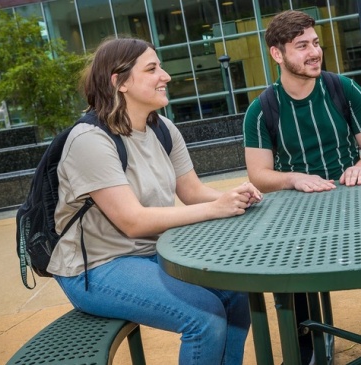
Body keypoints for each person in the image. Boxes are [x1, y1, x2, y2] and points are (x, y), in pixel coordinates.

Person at [50, 37, 263, 365]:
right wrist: (215, 208)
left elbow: (191, 192)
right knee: (204, 319)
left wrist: (233, 196)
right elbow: (132, 221)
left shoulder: (162, 128)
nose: (166, 76)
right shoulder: (90, 141)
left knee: (236, 297)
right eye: (152, 69)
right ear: (119, 82)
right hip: (96, 268)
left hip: (151, 254)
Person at [243, 10, 361, 364]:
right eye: (302, 46)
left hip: (356, 198)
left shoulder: (341, 88)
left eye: (315, 43)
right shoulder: (261, 109)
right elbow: (258, 174)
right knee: (286, 263)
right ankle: (305, 341)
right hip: (299, 210)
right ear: (277, 54)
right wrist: (293, 178)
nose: (314, 52)